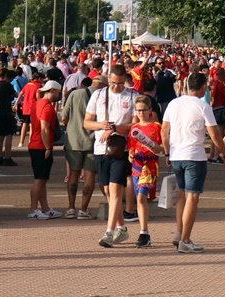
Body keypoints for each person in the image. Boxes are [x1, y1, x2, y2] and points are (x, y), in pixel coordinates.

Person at [161, 72, 225, 253]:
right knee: (193, 197)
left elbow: (164, 131)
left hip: (176, 154)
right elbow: (214, 134)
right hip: (194, 156)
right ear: (202, 87)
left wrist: (167, 152)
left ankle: (179, 232)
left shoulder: (173, 103)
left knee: (182, 195)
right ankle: (185, 239)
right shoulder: (203, 106)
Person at [85, 65, 140, 248]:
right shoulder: (98, 95)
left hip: (120, 149)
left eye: (119, 83)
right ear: (108, 80)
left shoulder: (132, 96)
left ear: (125, 79)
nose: (116, 86)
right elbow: (87, 122)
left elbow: (134, 126)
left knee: (116, 190)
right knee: (107, 191)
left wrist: (115, 128)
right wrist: (102, 125)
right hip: (101, 148)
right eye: (113, 83)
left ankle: (109, 231)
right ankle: (122, 227)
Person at [128, 95, 163, 248]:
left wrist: (157, 148)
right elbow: (131, 148)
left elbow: (163, 147)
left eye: (143, 110)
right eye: (138, 110)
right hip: (137, 166)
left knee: (142, 196)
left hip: (150, 166)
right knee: (140, 199)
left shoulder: (156, 127)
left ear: (150, 110)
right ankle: (145, 233)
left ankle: (143, 232)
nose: (141, 113)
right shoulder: (133, 129)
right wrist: (131, 154)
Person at [62, 76, 99, 219]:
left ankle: (71, 208)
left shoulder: (75, 94)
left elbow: (64, 117)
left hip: (74, 140)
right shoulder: (101, 97)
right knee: (90, 175)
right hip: (92, 141)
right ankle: (84, 210)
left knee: (73, 174)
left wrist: (72, 126)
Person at [26, 80, 64, 219]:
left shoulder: (38, 103)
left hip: (36, 144)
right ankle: (33, 210)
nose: (59, 95)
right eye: (58, 92)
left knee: (42, 179)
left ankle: (45, 208)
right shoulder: (47, 107)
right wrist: (48, 147)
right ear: (53, 90)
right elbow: (44, 128)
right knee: (40, 179)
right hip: (41, 146)